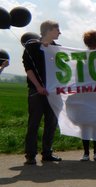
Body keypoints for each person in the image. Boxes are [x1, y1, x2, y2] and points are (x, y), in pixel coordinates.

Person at [22, 20, 62, 165]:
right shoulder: (32, 46)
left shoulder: (58, 49)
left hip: (53, 93)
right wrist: (38, 86)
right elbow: (28, 69)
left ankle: (47, 153)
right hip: (36, 92)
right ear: (49, 30)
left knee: (51, 123)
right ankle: (30, 155)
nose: (60, 33)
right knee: (34, 124)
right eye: (57, 29)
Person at [79, 30, 96, 161]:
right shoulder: (82, 58)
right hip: (86, 96)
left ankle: (95, 151)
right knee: (86, 124)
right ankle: (86, 152)